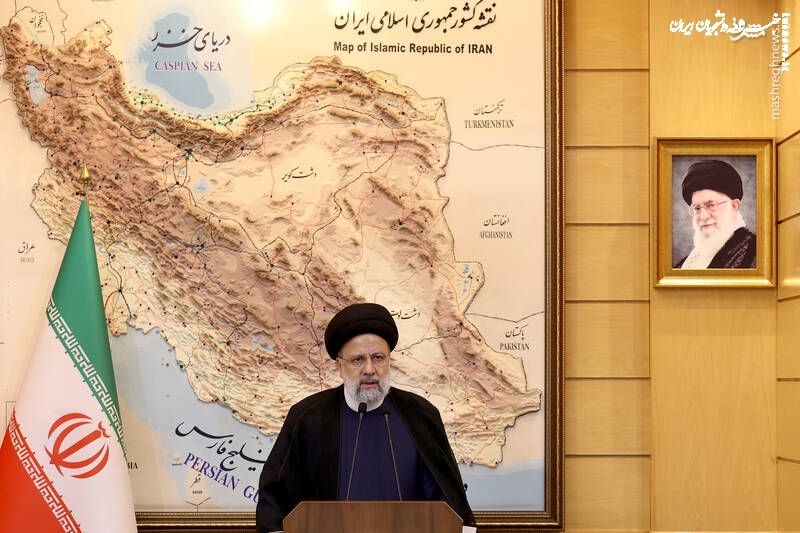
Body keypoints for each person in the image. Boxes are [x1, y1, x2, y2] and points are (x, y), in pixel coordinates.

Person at [256, 302, 476, 533]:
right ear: (340, 366)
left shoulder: (421, 415)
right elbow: (275, 502)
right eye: (358, 359)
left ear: (389, 361)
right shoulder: (307, 418)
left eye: (378, 357)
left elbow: (450, 504)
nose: (370, 369)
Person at [674, 159, 757, 269]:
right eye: (697, 208)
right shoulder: (689, 261)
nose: (703, 217)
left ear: (734, 206)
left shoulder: (753, 254)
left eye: (711, 205)